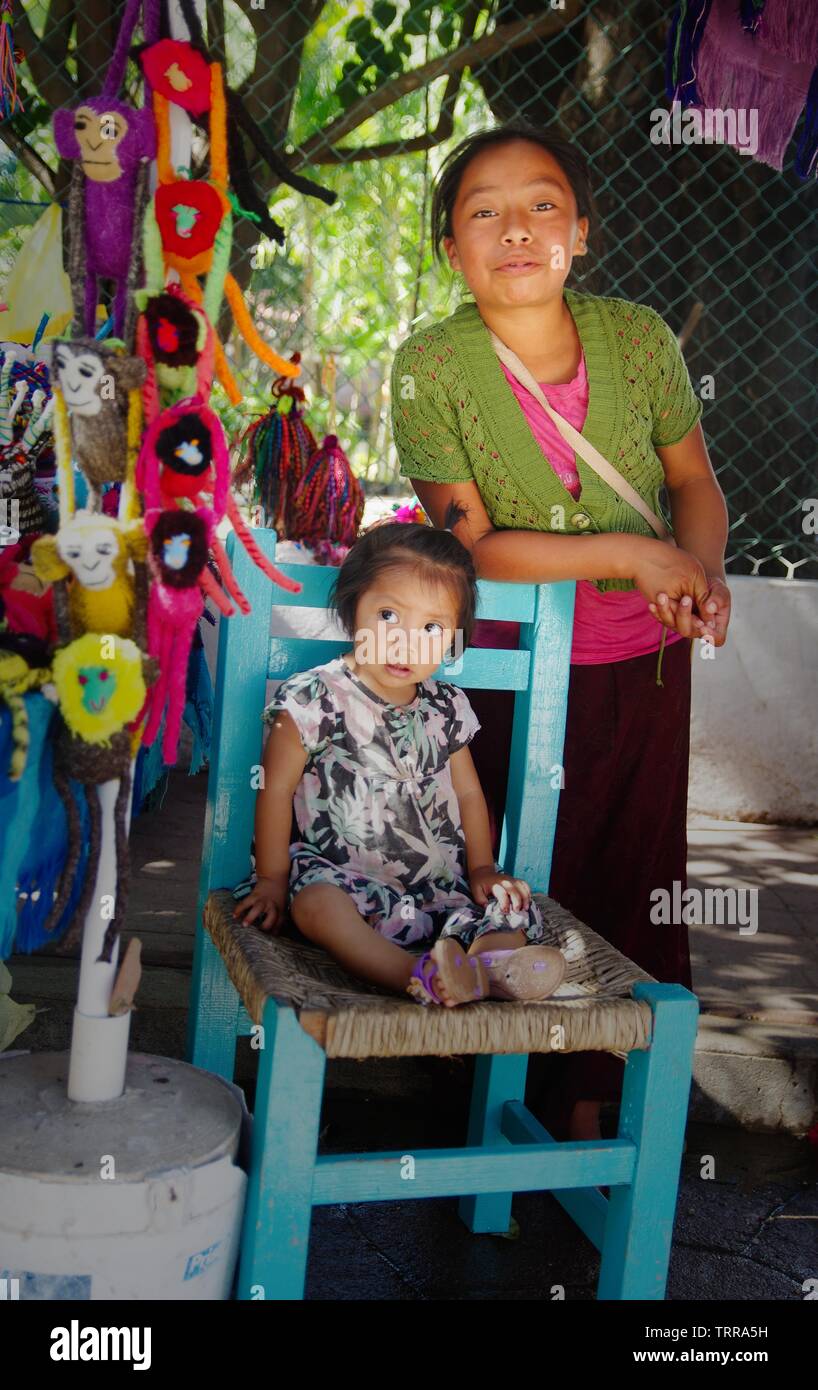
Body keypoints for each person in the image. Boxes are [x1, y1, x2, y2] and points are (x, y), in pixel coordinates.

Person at [389, 122, 731, 1133]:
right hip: (506, 674)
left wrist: (698, 572)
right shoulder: (429, 365)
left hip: (644, 662)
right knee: (510, 876)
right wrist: (633, 555)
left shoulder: (637, 339)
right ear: (450, 248)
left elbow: (690, 482)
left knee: (631, 873)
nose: (515, 229)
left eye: (541, 205)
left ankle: (597, 1106)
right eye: (481, 212)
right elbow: (474, 546)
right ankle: (485, 1103)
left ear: (578, 231)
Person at [232, 519, 566, 1008]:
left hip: (435, 892)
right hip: (344, 883)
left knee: (504, 907)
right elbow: (276, 790)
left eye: (431, 627)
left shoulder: (446, 707)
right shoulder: (313, 698)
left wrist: (482, 868)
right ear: (352, 608)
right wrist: (271, 881)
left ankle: (489, 966)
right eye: (389, 615)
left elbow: (469, 794)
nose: (406, 642)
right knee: (316, 907)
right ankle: (414, 974)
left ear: (454, 638)